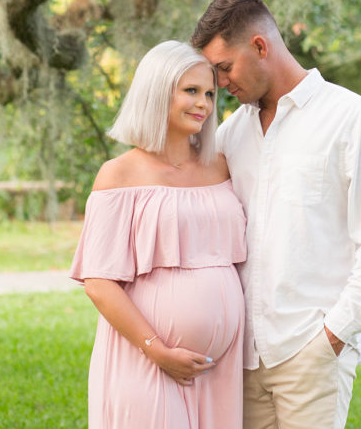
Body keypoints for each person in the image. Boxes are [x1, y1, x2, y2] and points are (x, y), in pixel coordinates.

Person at [191, 0, 361, 429]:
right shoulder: (232, 134)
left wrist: (333, 337)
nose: (220, 84)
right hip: (242, 360)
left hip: (311, 352)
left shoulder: (352, 119)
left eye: (224, 68)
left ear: (259, 46)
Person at [70, 40, 247, 429]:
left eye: (210, 94)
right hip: (145, 362)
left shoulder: (220, 167)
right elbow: (99, 283)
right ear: (156, 91)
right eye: (190, 91)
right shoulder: (119, 175)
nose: (203, 103)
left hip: (218, 371)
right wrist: (159, 350)